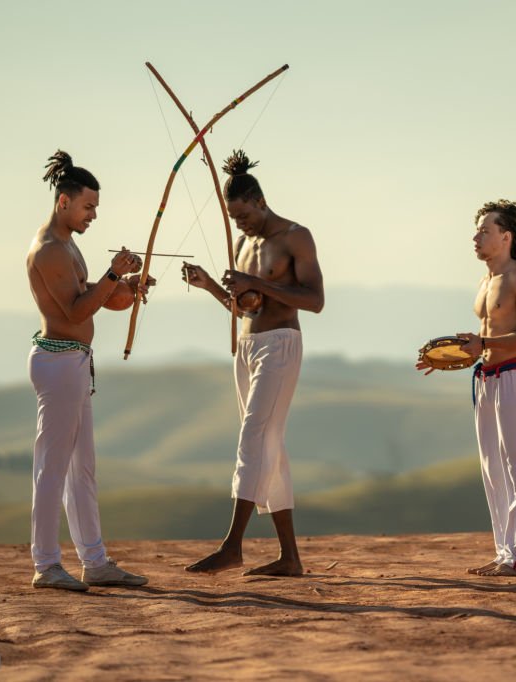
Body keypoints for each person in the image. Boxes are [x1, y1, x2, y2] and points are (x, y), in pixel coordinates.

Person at [181, 150, 324, 576]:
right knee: (269, 447)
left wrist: (256, 283)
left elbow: (314, 301)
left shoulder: (296, 237)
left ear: (259, 201)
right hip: (247, 349)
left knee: (253, 437)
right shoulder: (244, 244)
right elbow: (245, 308)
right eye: (233, 218)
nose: (238, 225)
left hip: (282, 344)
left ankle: (233, 545)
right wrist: (209, 285)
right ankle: (290, 558)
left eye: (243, 215)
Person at [26, 150, 152, 591]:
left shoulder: (68, 243)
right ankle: (45, 564)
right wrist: (112, 273)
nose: (93, 215)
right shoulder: (48, 251)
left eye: (95, 207)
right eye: (88, 206)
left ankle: (94, 561)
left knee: (82, 469)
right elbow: (77, 311)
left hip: (74, 363)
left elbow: (99, 299)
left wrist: (127, 287)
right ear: (64, 201)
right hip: (58, 363)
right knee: (53, 467)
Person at [417, 200, 516, 576]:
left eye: (484, 230)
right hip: (485, 379)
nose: (476, 237)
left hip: (515, 377)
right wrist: (449, 357)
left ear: (505, 237)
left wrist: (485, 345)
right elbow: (484, 337)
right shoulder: (485, 280)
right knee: (493, 469)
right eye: (476, 230)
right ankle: (506, 552)